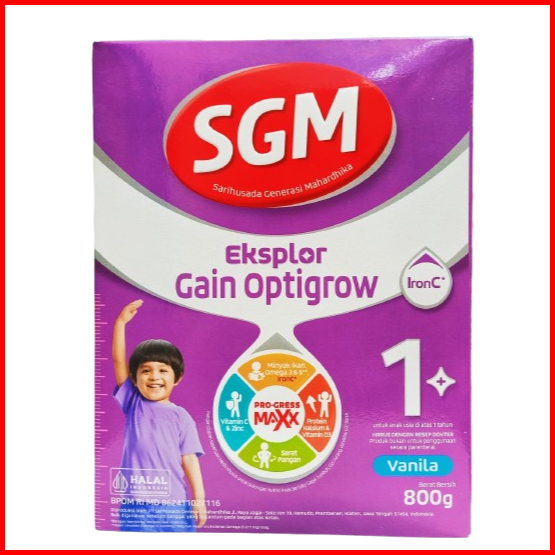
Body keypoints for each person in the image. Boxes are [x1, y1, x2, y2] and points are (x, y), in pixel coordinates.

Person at [112, 299, 206, 532]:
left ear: (177, 378)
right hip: (135, 506)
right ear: (134, 378)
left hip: (173, 505)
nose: (154, 376)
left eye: (163, 370)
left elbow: (189, 460)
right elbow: (118, 360)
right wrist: (120, 323)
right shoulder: (133, 402)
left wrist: (199, 499)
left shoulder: (181, 417)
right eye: (146, 370)